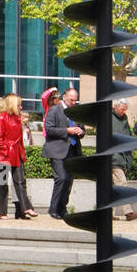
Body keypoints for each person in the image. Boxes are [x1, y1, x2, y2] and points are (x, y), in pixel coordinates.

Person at [0, 98, 35, 218]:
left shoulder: (17, 119)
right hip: (3, 156)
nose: (21, 107)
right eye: (19, 105)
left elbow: (19, 140)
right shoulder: (0, 119)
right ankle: (0, 211)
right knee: (1, 183)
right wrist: (7, 151)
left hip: (15, 155)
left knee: (20, 182)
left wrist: (20, 153)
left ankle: (24, 208)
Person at [44, 85, 85, 219]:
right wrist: (67, 131)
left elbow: (82, 128)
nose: (74, 103)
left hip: (73, 150)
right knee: (61, 178)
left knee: (69, 180)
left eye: (75, 100)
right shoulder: (54, 110)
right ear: (64, 97)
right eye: (71, 100)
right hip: (58, 150)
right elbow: (49, 129)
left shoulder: (76, 112)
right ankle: (53, 208)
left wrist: (80, 131)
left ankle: (62, 208)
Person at [110, 98, 137, 221]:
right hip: (114, 157)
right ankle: (128, 212)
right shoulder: (109, 117)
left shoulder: (124, 118)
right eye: (122, 109)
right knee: (122, 184)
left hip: (121, 156)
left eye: (125, 110)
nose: (123, 112)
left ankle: (108, 213)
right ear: (116, 106)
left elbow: (127, 135)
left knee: (112, 187)